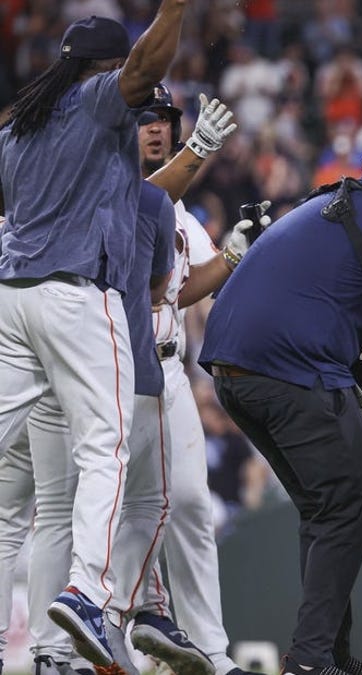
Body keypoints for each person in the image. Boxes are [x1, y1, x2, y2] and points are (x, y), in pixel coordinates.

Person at [200, 121, 362, 675]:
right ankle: (313, 659)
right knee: (345, 503)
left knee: (326, 508)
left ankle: (327, 653)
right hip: (289, 369)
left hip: (233, 372)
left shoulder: (328, 201)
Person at [0, 5, 188, 667]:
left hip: (10, 298)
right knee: (106, 446)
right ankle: (88, 590)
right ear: (107, 68)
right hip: (76, 296)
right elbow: (145, 68)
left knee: (4, 493)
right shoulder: (96, 99)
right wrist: (176, 10)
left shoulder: (19, 124)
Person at [134, 84, 266, 675]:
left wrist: (232, 257)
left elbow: (183, 289)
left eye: (164, 118)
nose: (157, 128)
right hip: (110, 370)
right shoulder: (111, 184)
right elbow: (138, 207)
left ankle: (209, 650)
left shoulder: (180, 206)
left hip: (168, 366)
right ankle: (113, 640)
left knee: (190, 505)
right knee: (124, 510)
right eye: (144, 118)